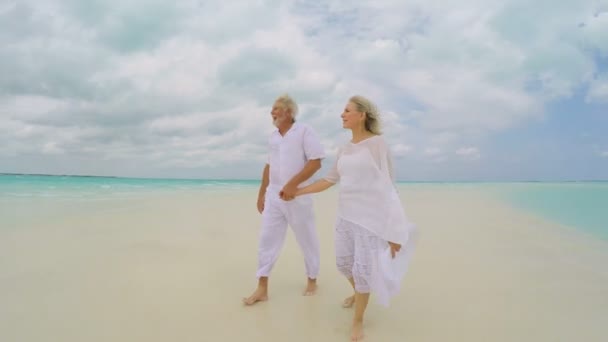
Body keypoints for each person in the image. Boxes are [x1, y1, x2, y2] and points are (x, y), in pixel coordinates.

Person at [289, 95, 415, 341]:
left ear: (362, 115)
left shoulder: (379, 144)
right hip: (346, 217)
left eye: (347, 111)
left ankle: (358, 321)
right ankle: (359, 293)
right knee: (344, 264)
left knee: (363, 270)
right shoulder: (344, 149)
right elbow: (329, 180)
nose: (342, 115)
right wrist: (298, 191)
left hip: (371, 221)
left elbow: (390, 188)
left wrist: (394, 230)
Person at [242, 94, 325, 306]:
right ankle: (262, 288)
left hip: (298, 196)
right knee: (266, 240)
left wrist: (292, 186)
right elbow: (269, 166)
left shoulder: (305, 131)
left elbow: (315, 163)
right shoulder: (273, 137)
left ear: (289, 112)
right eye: (272, 109)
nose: (272, 112)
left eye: (276, 109)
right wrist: (262, 193)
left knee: (307, 239)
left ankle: (312, 279)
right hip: (273, 196)